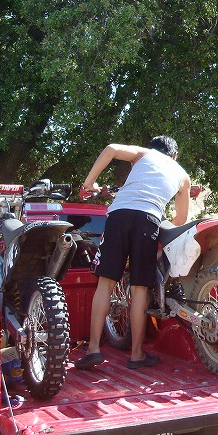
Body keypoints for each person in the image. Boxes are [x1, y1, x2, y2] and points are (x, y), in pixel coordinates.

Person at [74, 135, 191, 370]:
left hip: (119, 215)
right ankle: (137, 354)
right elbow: (180, 219)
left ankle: (93, 349)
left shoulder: (144, 154)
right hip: (149, 220)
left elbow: (110, 148)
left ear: (153, 148)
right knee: (140, 289)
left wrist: (89, 184)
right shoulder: (183, 176)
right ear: (175, 155)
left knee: (105, 283)